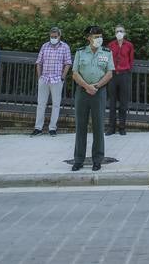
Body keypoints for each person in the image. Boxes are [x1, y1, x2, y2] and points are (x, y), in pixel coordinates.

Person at [71, 25, 114, 172]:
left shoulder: (107, 53)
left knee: (98, 126)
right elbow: (75, 73)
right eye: (95, 37)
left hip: (99, 92)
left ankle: (97, 160)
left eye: (100, 36)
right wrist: (87, 86)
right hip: (82, 92)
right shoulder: (80, 52)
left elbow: (109, 73)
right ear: (88, 38)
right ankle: (78, 160)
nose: (98, 39)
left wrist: (96, 86)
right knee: (80, 126)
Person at [32, 27, 72, 136]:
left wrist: (62, 77)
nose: (53, 38)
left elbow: (68, 63)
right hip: (44, 79)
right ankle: (38, 128)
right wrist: (39, 77)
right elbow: (39, 62)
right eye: (51, 36)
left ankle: (52, 128)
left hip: (57, 79)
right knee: (41, 104)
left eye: (55, 37)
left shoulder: (65, 47)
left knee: (56, 104)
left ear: (59, 36)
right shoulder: (45, 46)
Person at [106, 24, 135, 136]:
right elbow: (108, 59)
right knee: (112, 102)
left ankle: (122, 127)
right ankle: (111, 128)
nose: (119, 32)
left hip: (124, 75)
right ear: (114, 33)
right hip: (113, 75)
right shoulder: (110, 45)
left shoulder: (129, 45)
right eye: (117, 31)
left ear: (125, 33)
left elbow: (131, 60)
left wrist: (127, 71)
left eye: (121, 31)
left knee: (123, 103)